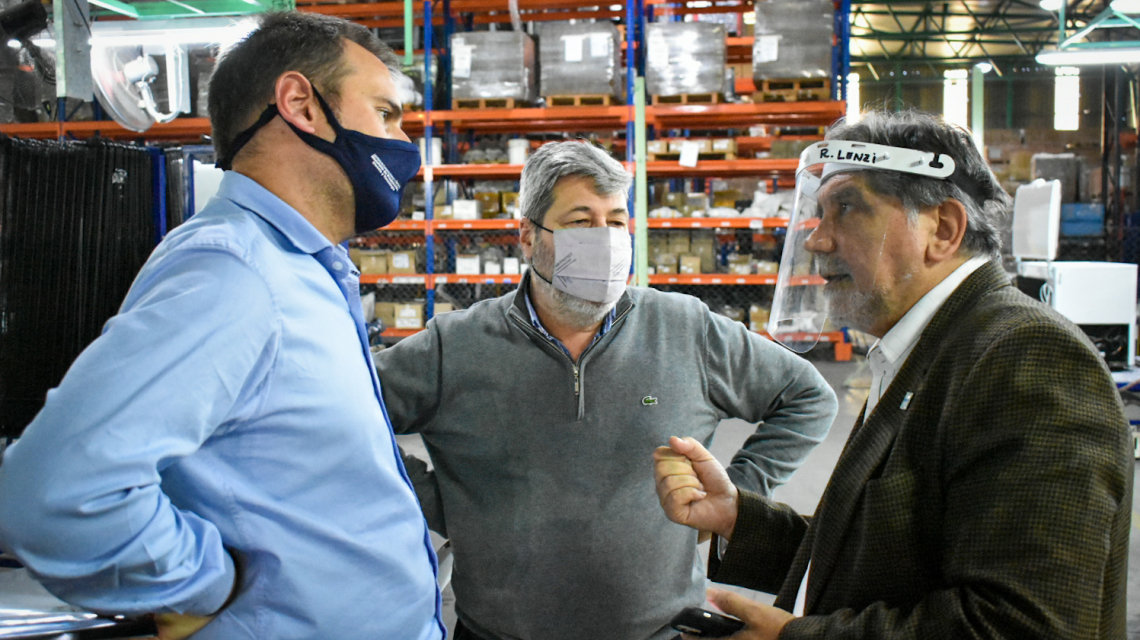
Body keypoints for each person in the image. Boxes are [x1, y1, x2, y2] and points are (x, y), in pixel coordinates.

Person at [0, 12, 444, 640]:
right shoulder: (234, 272)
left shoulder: (301, 269)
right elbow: (55, 493)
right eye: (386, 113)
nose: (402, 142)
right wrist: (205, 583)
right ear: (301, 104)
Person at [654, 110, 1133, 640]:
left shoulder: (1028, 359)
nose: (816, 241)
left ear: (942, 229)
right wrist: (738, 520)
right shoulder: (930, 345)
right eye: (819, 213)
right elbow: (885, 557)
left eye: (847, 209)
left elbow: (1023, 625)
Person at [374, 140, 839, 640]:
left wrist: (738, 499)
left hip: (660, 632)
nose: (605, 239)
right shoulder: (455, 345)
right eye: (581, 221)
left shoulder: (684, 328)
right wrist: (437, 501)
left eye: (616, 222)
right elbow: (349, 415)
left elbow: (808, 397)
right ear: (528, 237)